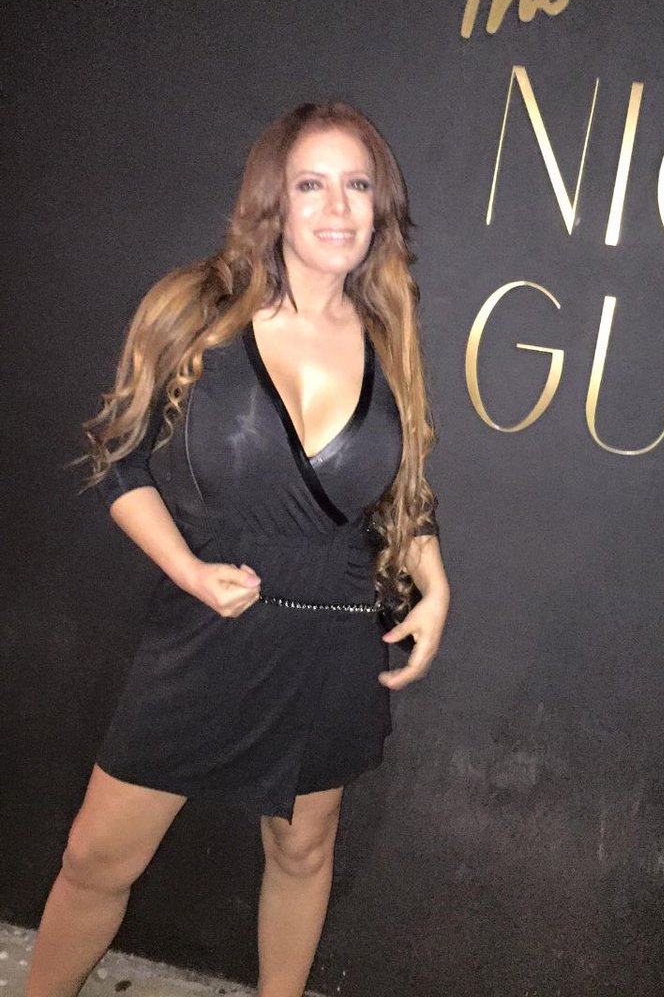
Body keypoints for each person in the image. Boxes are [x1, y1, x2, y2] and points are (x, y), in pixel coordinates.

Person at [26, 102, 451, 997]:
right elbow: (118, 462)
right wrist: (185, 569)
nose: (337, 207)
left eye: (357, 184)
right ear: (274, 200)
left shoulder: (390, 334)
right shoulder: (197, 312)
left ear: (380, 204)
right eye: (311, 184)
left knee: (303, 851)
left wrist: (433, 577)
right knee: (95, 859)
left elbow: (398, 493)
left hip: (333, 636)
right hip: (208, 629)